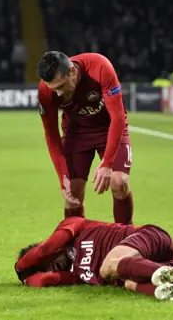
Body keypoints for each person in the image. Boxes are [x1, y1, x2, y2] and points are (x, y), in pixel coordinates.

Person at [37, 52, 134, 224]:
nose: (58, 94)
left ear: (72, 72)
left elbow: (118, 118)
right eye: (54, 89)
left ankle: (126, 238)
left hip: (109, 128)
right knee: (71, 193)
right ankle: (75, 246)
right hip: (77, 133)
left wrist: (107, 163)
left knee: (119, 182)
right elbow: (51, 135)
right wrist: (62, 178)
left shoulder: (100, 67)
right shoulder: (46, 90)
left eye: (61, 86)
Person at [14, 217, 173, 301]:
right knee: (128, 284)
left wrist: (21, 265)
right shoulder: (74, 275)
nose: (50, 269)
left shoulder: (71, 227)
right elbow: (44, 281)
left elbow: (45, 249)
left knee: (106, 268)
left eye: (46, 263)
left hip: (151, 239)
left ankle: (167, 274)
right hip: (146, 268)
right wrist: (28, 277)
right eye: (46, 268)